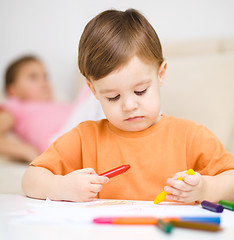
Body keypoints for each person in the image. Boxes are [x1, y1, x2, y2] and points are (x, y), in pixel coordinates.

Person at [22, 9, 234, 203]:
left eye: (140, 91)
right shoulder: (84, 138)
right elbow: (30, 179)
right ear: (93, 90)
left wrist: (205, 189)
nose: (129, 105)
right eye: (113, 97)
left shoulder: (191, 137)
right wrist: (61, 187)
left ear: (161, 74)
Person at [0, 55, 104, 162]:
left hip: (79, 130)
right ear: (13, 90)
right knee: (93, 84)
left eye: (45, 77)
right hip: (59, 141)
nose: (44, 83)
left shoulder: (58, 103)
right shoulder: (16, 105)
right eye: (33, 77)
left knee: (96, 90)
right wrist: (27, 152)